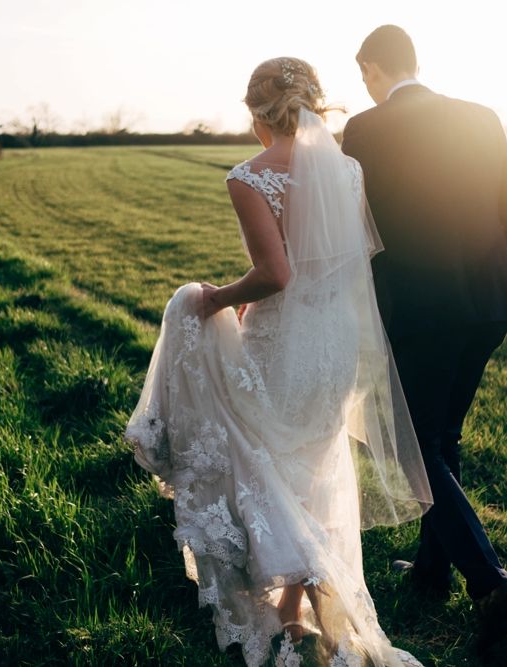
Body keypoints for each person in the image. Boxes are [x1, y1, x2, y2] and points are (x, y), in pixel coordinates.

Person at [125, 57, 432, 667]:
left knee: (264, 463)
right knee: (313, 468)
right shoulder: (347, 171)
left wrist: (215, 298)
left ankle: (294, 604)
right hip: (335, 341)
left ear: (257, 113)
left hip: (284, 340)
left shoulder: (249, 176)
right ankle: (297, 610)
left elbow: (274, 274)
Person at [341, 25, 507, 659]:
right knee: (444, 435)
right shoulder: (482, 116)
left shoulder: (366, 129)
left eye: (365, 75)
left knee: (416, 447)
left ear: (373, 68)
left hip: (422, 307)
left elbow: (363, 223)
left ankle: (491, 583)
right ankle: (434, 571)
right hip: (490, 303)